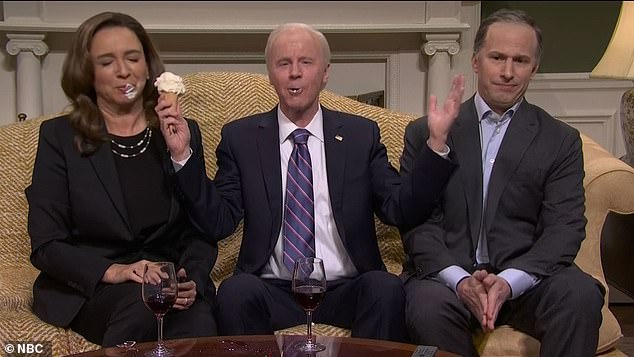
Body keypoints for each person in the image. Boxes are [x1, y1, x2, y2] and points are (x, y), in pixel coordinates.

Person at [156, 22, 464, 342]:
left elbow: (398, 209)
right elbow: (218, 221)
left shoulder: (361, 135)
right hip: (273, 287)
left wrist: (436, 147)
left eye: (306, 62)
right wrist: (183, 156)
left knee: (385, 288)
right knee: (236, 293)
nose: (295, 73)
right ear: (271, 73)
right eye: (283, 63)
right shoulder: (241, 138)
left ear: (325, 72)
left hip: (346, 285)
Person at [399, 9, 605, 357]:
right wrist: (461, 281)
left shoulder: (559, 140)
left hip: (526, 280)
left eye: (520, 60)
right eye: (497, 58)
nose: (508, 72)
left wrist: (509, 282)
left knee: (580, 294)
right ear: (476, 61)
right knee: (424, 305)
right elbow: (418, 223)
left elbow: (565, 227)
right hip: (450, 280)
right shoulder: (426, 133)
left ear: (534, 68)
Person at [26, 12, 217, 347]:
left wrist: (192, 279)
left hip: (166, 284)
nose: (124, 70)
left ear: (148, 66)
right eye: (106, 62)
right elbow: (46, 244)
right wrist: (115, 271)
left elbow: (203, 228)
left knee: (200, 320)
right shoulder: (59, 138)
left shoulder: (181, 131)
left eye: (133, 58)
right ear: (87, 72)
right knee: (143, 307)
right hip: (97, 288)